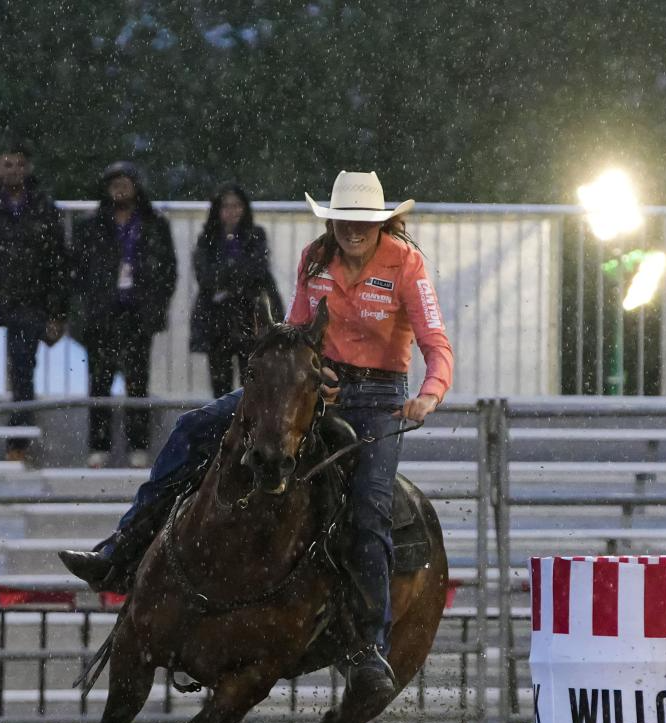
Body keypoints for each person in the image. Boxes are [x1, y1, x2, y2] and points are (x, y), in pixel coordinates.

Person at [60, 170, 453, 695]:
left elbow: (435, 342)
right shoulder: (315, 260)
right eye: (344, 219)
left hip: (378, 399)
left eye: (363, 221)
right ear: (332, 221)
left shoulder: (406, 264)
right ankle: (122, 549)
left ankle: (369, 646)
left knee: (368, 507)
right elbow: (294, 330)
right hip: (312, 385)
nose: (353, 229)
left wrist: (429, 394)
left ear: (381, 223)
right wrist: (306, 370)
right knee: (194, 429)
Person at [73, 161, 177, 468]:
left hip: (137, 312)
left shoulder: (153, 224)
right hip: (103, 312)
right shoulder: (92, 225)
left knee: (137, 380)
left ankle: (138, 445)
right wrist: (87, 307)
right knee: (100, 380)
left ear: (136, 187)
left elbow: (168, 270)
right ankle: (98, 446)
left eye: (125, 183)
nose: (120, 190)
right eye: (114, 184)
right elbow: (77, 270)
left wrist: (155, 305)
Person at [0, 138, 69, 461]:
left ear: (29, 168)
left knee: (23, 372)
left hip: (29, 300)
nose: (14, 171)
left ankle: (18, 446)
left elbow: (58, 263)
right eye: (7, 164)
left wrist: (57, 312)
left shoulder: (43, 208)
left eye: (20, 164)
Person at [190, 183, 284, 397]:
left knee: (250, 385)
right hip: (217, 322)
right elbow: (205, 276)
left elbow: (256, 270)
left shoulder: (256, 235)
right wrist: (235, 273)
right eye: (226, 206)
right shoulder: (208, 238)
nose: (231, 211)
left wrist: (226, 277)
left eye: (237, 205)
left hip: (248, 318)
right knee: (219, 386)